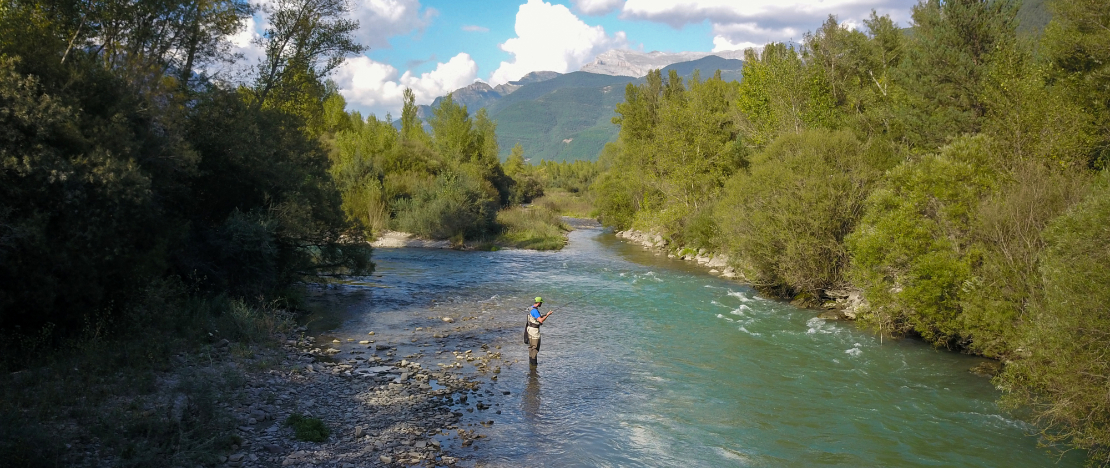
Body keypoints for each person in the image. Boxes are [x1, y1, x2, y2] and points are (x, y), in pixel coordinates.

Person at [525, 297, 553, 366]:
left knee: (531, 347)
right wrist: (547, 315)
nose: (541, 304)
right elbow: (540, 320)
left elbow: (535, 318)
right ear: (539, 303)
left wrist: (544, 315)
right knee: (535, 348)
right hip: (534, 331)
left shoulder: (530, 308)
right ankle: (534, 365)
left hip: (529, 330)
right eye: (541, 303)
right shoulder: (535, 311)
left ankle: (531, 363)